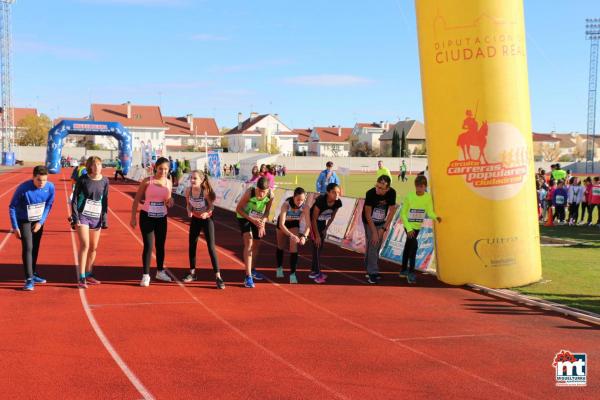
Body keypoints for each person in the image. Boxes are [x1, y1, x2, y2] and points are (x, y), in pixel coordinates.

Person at [9, 166, 55, 291]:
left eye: (44, 180)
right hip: (24, 220)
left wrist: (41, 222)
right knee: (28, 247)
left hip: (38, 220)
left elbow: (49, 205)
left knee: (35, 247)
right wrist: (15, 226)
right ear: (33, 177)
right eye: (39, 180)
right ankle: (29, 279)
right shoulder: (23, 188)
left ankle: (33, 273)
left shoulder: (50, 187)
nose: (42, 183)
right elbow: (12, 207)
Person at [131, 157, 175, 286]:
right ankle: (145, 275)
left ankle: (160, 271)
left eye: (166, 169)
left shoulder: (169, 182)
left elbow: (169, 200)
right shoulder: (147, 181)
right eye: (161, 168)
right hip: (147, 216)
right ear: (156, 167)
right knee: (148, 245)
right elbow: (136, 200)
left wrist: (170, 202)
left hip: (161, 217)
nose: (163, 171)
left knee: (160, 245)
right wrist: (133, 217)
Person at [71, 156, 109, 288]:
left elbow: (104, 201)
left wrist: (104, 218)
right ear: (90, 167)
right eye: (95, 165)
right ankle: (81, 278)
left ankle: (88, 274)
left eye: (100, 164)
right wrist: (75, 217)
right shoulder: (83, 179)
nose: (98, 167)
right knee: (85, 245)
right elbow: (74, 199)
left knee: (93, 248)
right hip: (83, 216)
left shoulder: (105, 180)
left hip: (96, 217)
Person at [183, 170, 224, 289]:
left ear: (201, 180)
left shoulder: (205, 192)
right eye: (191, 178)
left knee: (211, 247)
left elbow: (211, 206)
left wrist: (207, 213)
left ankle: (218, 277)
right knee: (192, 245)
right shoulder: (188, 191)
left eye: (195, 178)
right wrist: (189, 211)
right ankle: (192, 273)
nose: (192, 180)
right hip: (195, 219)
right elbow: (188, 205)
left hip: (207, 220)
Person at [400, 175, 441, 284]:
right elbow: (403, 214)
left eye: (421, 186)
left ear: (425, 186)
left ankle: (403, 270)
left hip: (417, 227)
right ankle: (411, 273)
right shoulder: (410, 196)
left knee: (408, 246)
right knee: (414, 247)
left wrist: (436, 217)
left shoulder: (427, 197)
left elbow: (429, 211)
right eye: (417, 186)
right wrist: (408, 228)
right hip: (408, 226)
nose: (419, 189)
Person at [235, 177, 274, 288]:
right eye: (259, 191)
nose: (261, 194)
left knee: (257, 244)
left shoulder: (271, 195)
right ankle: (248, 276)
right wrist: (252, 220)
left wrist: (263, 223)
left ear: (268, 190)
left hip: (258, 218)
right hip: (244, 217)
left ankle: (252, 269)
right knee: (249, 242)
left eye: (264, 192)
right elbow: (238, 209)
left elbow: (267, 212)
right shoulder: (250, 193)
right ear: (256, 188)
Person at [362, 175, 397, 284]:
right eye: (377, 186)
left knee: (377, 246)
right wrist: (374, 232)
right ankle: (372, 272)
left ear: (387, 189)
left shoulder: (392, 193)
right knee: (373, 243)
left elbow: (392, 211)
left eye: (381, 188)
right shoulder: (370, 193)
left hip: (381, 222)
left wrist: (383, 228)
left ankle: (369, 268)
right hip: (369, 221)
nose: (378, 189)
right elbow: (367, 214)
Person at [276, 187, 311, 284]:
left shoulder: (305, 207)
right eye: (298, 199)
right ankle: (279, 267)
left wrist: (304, 236)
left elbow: (308, 225)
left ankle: (292, 274)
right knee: (281, 246)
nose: (300, 202)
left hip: (294, 224)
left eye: (302, 200)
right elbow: (281, 225)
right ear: (293, 197)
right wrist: (291, 235)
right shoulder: (286, 205)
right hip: (282, 225)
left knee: (293, 247)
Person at [310, 183, 342, 283]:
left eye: (338, 192)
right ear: (328, 192)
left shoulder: (337, 202)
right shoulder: (320, 201)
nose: (336, 195)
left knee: (319, 247)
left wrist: (325, 229)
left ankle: (314, 271)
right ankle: (318, 273)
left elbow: (332, 216)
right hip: (312, 222)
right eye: (333, 192)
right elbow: (314, 219)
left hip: (322, 222)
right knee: (317, 245)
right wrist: (317, 235)